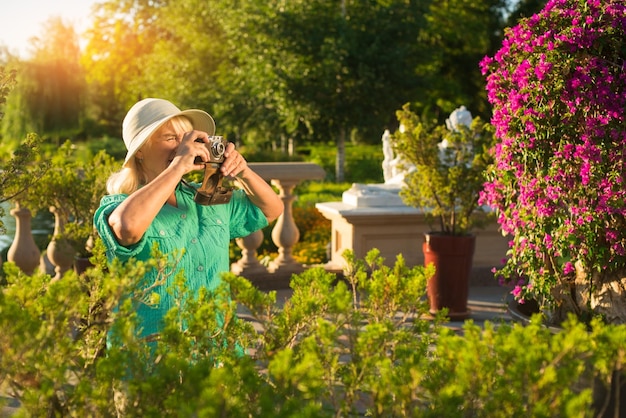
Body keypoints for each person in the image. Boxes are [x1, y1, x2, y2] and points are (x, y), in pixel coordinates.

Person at [94, 98, 284, 342]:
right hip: (152, 357)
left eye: (187, 138)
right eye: (171, 138)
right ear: (140, 150)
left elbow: (271, 209)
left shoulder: (205, 197)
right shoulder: (118, 205)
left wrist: (242, 171)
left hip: (216, 350)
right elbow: (127, 227)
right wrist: (177, 167)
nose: (183, 146)